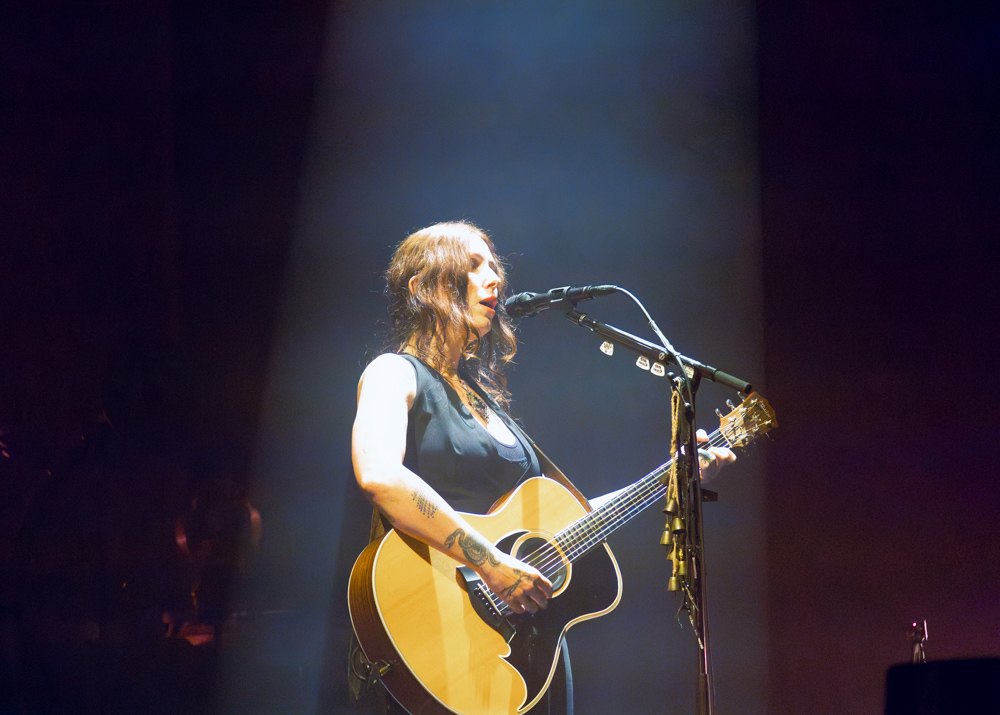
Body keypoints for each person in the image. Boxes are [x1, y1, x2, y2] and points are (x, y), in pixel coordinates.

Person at [350, 221, 734, 714]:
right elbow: (379, 474)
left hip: (527, 654)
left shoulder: (486, 402)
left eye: (495, 267)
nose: (494, 279)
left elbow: (565, 521)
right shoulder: (394, 372)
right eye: (473, 266)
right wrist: (490, 563)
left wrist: (677, 478)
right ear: (425, 285)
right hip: (437, 634)